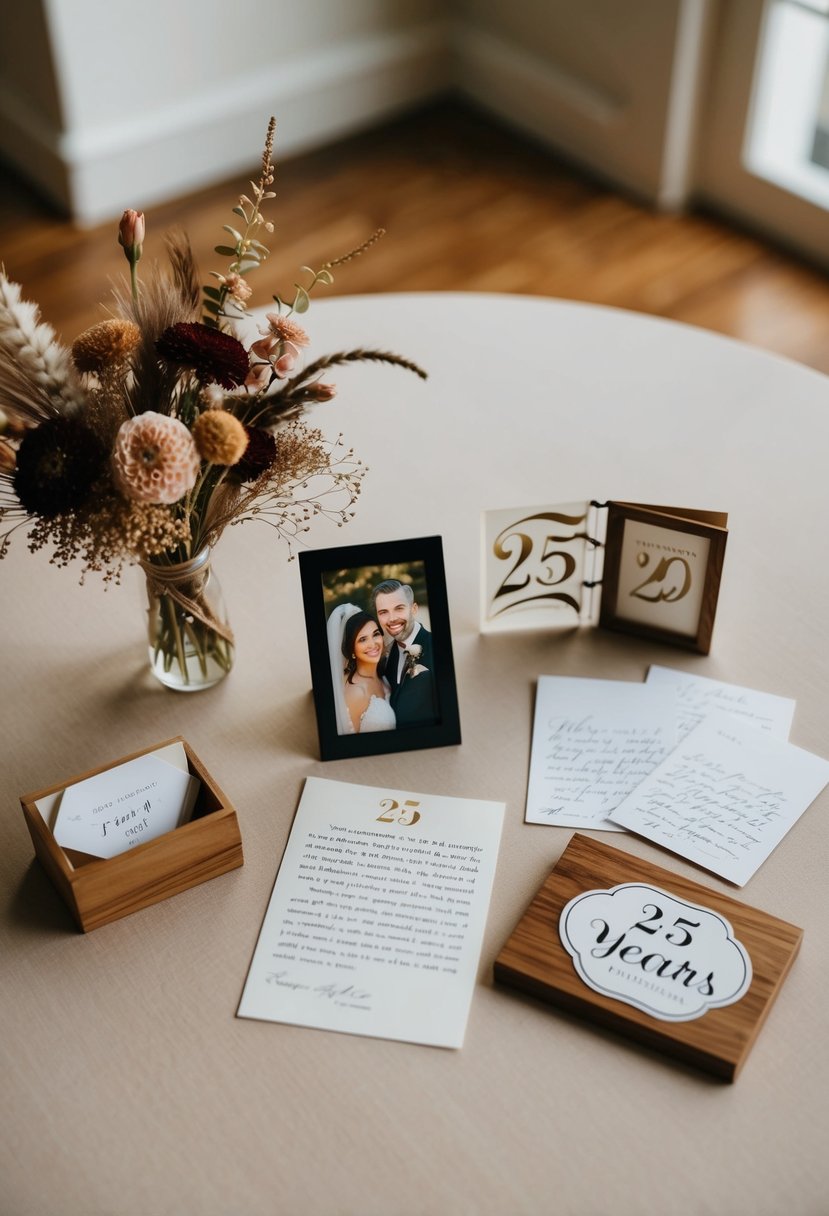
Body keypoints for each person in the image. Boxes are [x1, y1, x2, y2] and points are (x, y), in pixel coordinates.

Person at [370, 579, 438, 728]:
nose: (392, 619)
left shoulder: (436, 647)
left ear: (413, 609)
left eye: (399, 608)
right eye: (383, 612)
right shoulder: (384, 657)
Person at [327, 604, 396, 735]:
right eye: (362, 639)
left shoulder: (383, 675)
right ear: (352, 651)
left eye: (375, 634)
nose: (373, 644)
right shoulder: (356, 693)